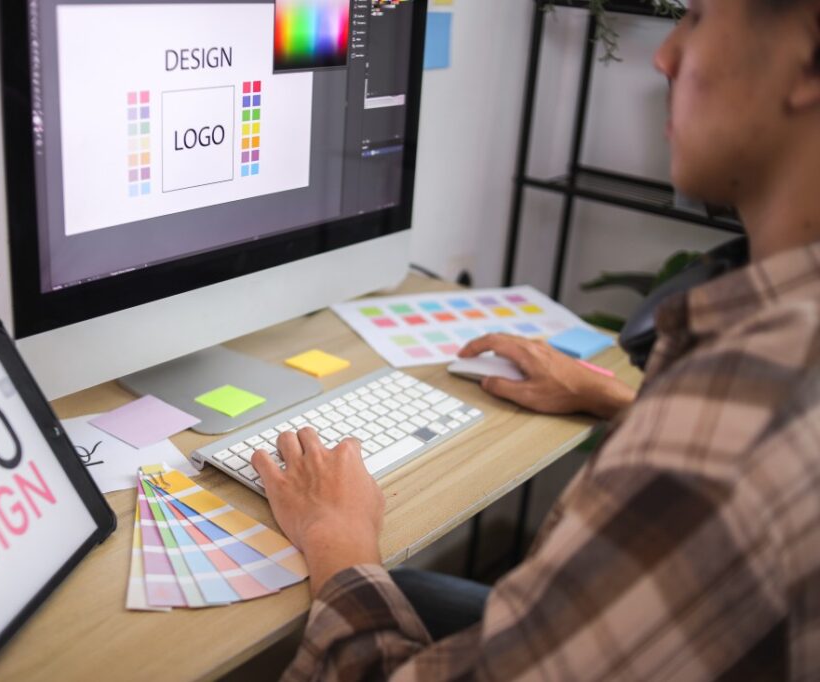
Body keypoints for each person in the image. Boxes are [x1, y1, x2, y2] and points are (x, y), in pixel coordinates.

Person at [250, 0, 820, 678]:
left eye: (696, 17)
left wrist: (335, 537)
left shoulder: (737, 429)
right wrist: (616, 403)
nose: (663, 56)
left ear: (808, 60)